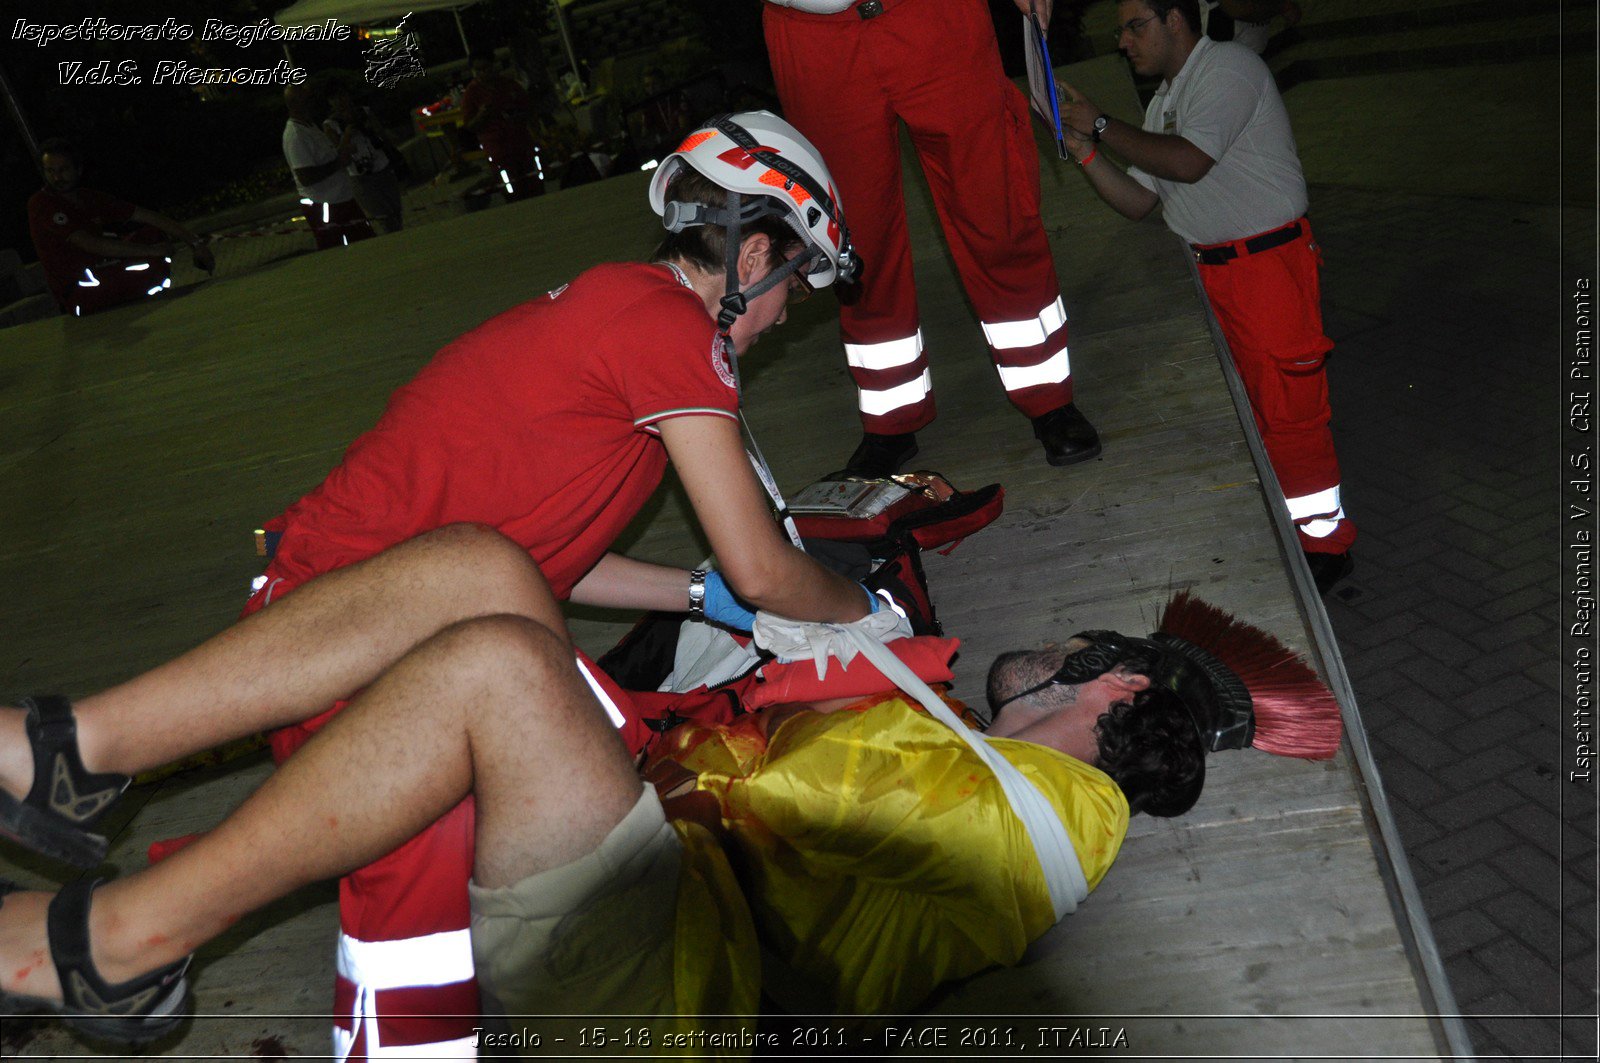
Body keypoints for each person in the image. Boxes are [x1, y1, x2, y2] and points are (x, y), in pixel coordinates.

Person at [0, 111, 872, 1060]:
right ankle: (103, 850)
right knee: (451, 820)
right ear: (754, 260)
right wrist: (857, 612)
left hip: (363, 605)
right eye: (802, 281)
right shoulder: (671, 328)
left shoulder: (622, 316)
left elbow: (557, 562)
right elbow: (763, 562)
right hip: (352, 616)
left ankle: (77, 780)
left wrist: (697, 598)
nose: (794, 310)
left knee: (491, 667)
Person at [0, 519, 1339, 1038]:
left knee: (501, 668)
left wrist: (728, 692)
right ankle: (73, 748)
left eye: (1078, 653)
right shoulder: (1003, 781)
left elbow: (779, 809)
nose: (1044, 653)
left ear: (1112, 694)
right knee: (483, 573)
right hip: (677, 892)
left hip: (678, 978)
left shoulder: (1007, 803)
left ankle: (118, 939)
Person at [1057, 0, 1355, 593]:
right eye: (1121, 29)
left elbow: (1190, 164)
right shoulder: (1166, 102)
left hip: (1267, 265)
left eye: (1135, 25)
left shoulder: (1229, 69)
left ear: (1176, 20)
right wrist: (1087, 150)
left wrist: (1099, 125)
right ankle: (1292, 532)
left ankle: (1325, 546)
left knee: (1290, 414)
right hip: (1216, 273)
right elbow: (1140, 202)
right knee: (1256, 412)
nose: (1123, 40)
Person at [761, 0, 1103, 477]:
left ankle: (1049, 398)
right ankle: (890, 422)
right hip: (811, 35)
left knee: (994, 211)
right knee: (855, 246)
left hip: (932, 15)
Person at [26, 139, 214, 317]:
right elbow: (89, 244)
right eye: (50, 171)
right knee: (151, 258)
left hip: (103, 269)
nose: (57, 177)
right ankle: (145, 292)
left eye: (63, 170)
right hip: (79, 289)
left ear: (78, 169)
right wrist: (152, 251)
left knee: (152, 234)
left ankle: (145, 288)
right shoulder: (42, 204)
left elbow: (145, 215)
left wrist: (195, 243)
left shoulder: (87, 197)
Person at [282, 84, 376, 251]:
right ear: (297, 104)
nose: (314, 103)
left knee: (367, 245)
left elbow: (326, 157)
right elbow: (305, 177)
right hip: (324, 205)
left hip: (341, 199)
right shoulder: (296, 135)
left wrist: (342, 152)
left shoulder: (310, 126)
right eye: (308, 99)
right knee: (339, 253)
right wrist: (339, 162)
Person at [461, 53, 544, 200]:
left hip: (521, 141)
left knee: (533, 182)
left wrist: (535, 132)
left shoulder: (509, 84)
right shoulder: (472, 92)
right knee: (510, 188)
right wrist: (481, 114)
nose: (482, 73)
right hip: (496, 146)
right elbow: (470, 126)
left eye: (485, 68)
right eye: (477, 70)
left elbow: (529, 109)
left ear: (493, 66)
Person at [324, 87, 405, 234]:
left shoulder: (363, 112)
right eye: (335, 98)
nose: (341, 101)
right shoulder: (331, 124)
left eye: (342, 95)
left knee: (396, 211)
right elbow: (338, 151)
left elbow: (382, 134)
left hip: (382, 165)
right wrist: (347, 135)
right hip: (360, 176)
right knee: (384, 216)